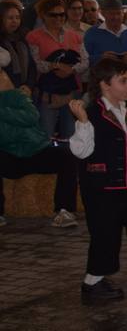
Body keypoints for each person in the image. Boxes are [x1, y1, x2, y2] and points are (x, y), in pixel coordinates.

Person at [69, 57, 127, 303]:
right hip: (102, 188)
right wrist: (82, 123)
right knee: (105, 235)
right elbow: (80, 151)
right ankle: (92, 284)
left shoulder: (125, 110)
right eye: (123, 81)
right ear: (104, 84)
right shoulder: (91, 114)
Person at [0, 66, 79, 228]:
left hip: (36, 150)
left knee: (67, 155)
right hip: (9, 155)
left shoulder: (18, 96)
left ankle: (64, 210)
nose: (4, 78)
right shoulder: (20, 98)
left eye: (2, 74)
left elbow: (31, 116)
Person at [27, 0, 88, 139]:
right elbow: (35, 63)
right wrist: (56, 67)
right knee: (45, 134)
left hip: (71, 92)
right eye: (53, 15)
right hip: (46, 94)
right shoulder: (34, 37)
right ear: (43, 15)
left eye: (61, 14)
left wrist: (71, 70)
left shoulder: (74, 36)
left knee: (71, 135)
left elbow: (85, 61)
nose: (58, 18)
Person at [0, 0, 36, 92]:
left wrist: (28, 86)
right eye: (10, 18)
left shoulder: (21, 39)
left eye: (17, 17)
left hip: (24, 89)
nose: (14, 21)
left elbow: (31, 65)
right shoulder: (2, 42)